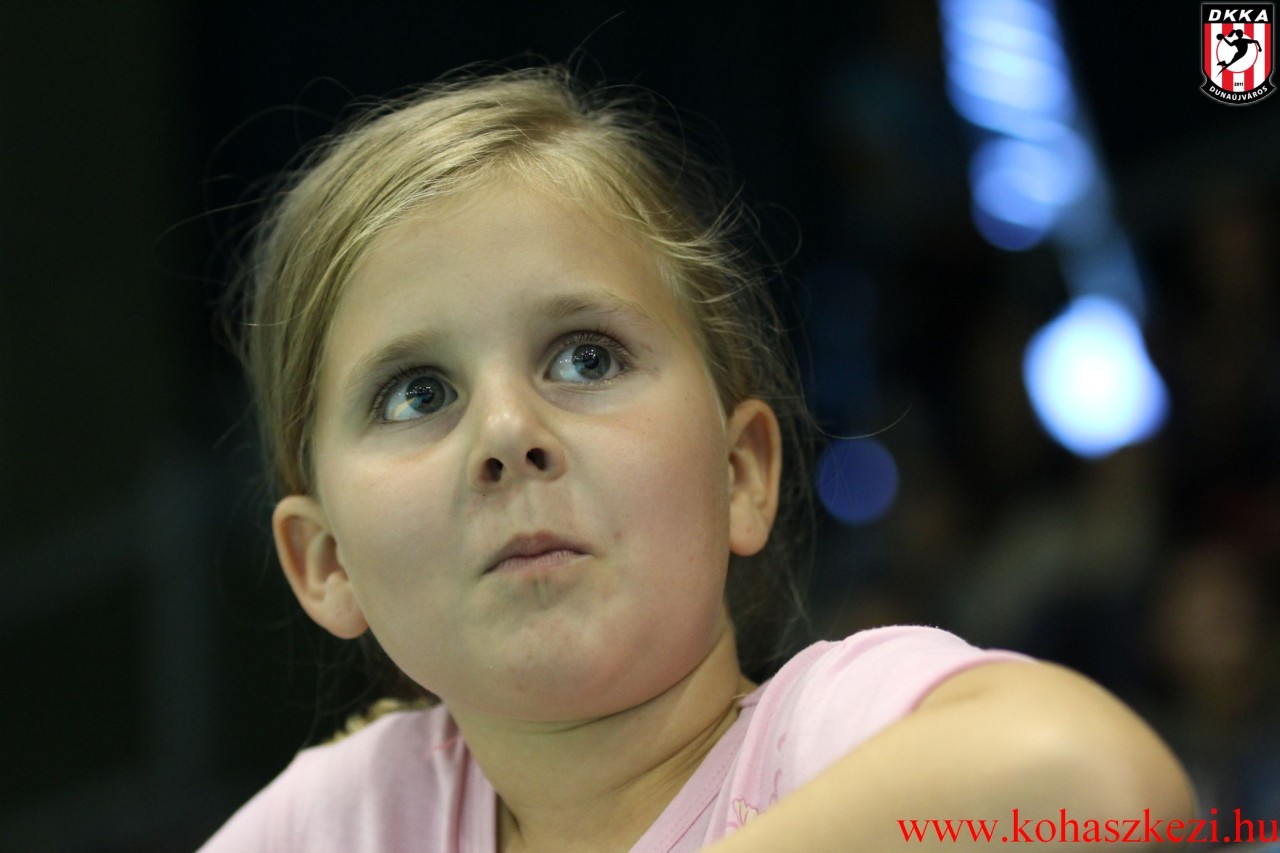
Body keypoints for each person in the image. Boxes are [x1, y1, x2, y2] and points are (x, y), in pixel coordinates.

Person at [202, 67, 1193, 851]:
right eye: (417, 393)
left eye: (586, 357)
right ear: (324, 561)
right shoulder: (348, 818)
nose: (506, 431)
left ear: (740, 473)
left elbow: (1100, 783)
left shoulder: (825, 740)